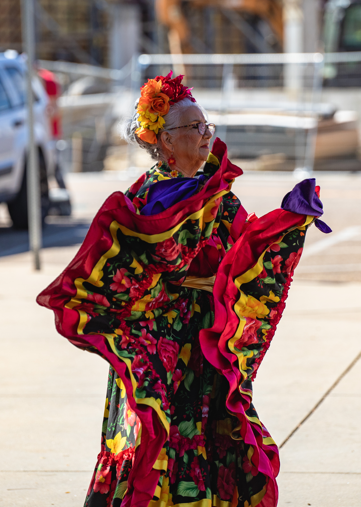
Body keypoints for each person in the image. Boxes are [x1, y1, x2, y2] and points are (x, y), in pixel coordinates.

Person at [37, 71, 330, 507]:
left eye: (206, 126)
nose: (206, 135)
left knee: (204, 440)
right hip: (158, 349)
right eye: (194, 127)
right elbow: (136, 270)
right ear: (166, 142)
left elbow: (244, 250)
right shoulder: (145, 199)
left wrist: (289, 221)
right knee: (154, 439)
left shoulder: (220, 195)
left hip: (203, 345)